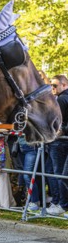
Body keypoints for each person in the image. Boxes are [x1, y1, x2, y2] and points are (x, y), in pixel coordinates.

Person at [46, 74, 68, 216]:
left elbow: (57, 122)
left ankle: (62, 205)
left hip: (60, 142)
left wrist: (57, 133)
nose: (52, 88)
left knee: (61, 175)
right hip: (61, 140)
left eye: (55, 85)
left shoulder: (61, 99)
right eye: (51, 86)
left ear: (64, 85)